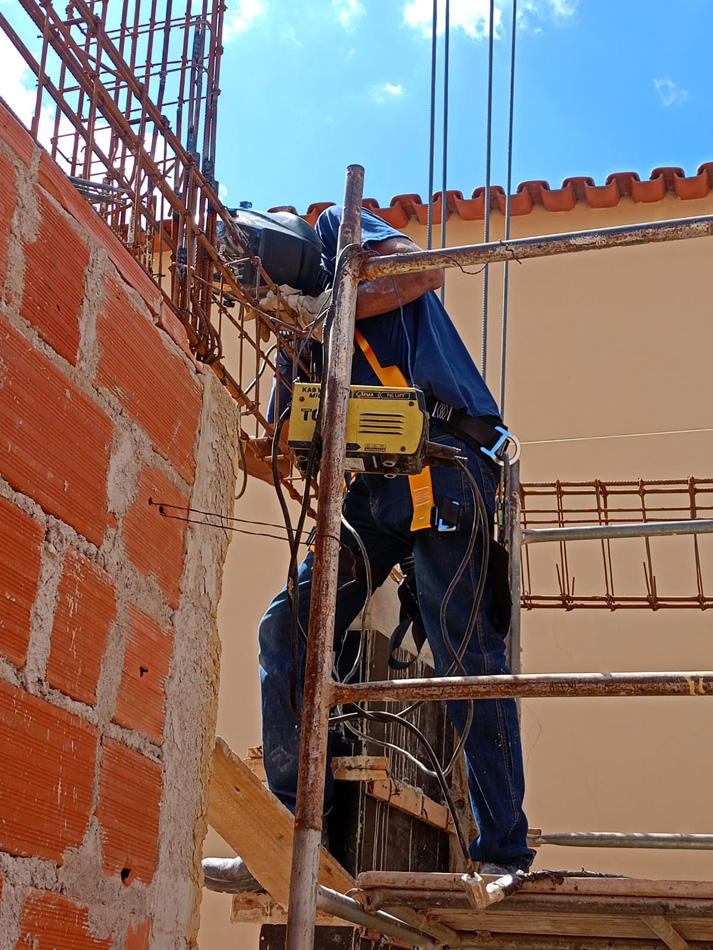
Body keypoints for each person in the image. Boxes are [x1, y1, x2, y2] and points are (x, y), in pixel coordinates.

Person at [203, 206, 535, 893]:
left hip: (449, 461)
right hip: (377, 488)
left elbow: (425, 271)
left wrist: (333, 304)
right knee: (287, 628)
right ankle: (290, 830)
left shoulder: (340, 232)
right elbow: (283, 448)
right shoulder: (297, 334)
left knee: (463, 651)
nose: (265, 302)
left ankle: (504, 851)